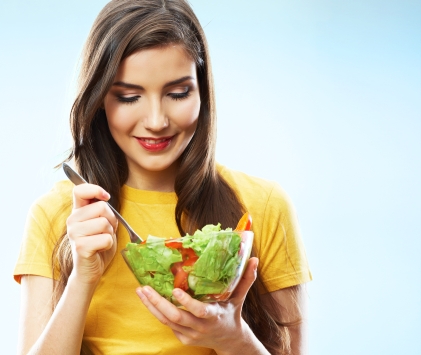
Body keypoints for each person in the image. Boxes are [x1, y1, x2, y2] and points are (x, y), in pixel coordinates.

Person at [13, 1, 312, 354]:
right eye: (129, 96)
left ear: (202, 92)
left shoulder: (262, 206)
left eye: (177, 93)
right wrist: (83, 277)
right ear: (98, 101)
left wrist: (234, 339)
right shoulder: (59, 215)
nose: (156, 120)